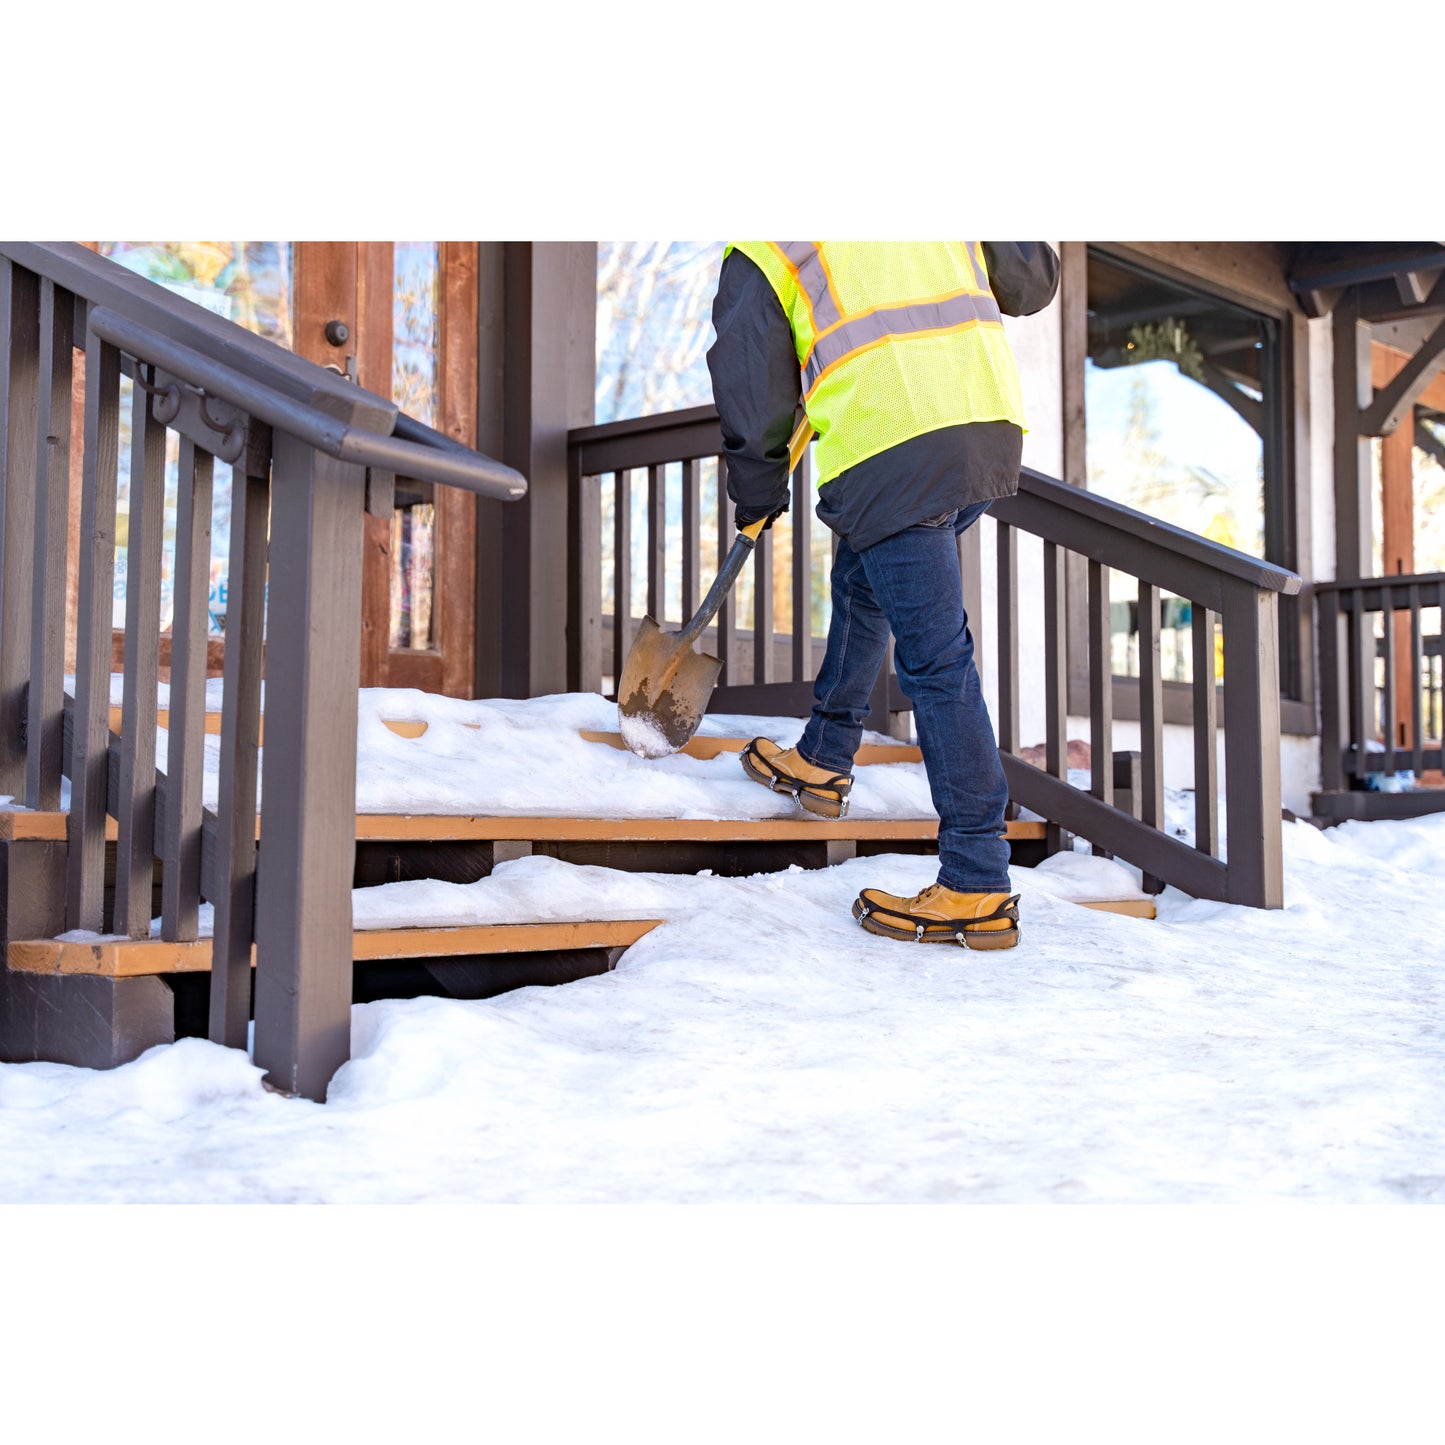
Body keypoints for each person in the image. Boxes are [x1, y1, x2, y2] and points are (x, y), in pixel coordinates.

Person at [707, 241, 1059, 951]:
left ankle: (975, 877)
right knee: (862, 583)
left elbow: (750, 375)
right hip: (980, 424)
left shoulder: (768, 238)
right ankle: (824, 754)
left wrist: (755, 488)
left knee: (934, 660)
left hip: (889, 440)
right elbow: (1030, 280)